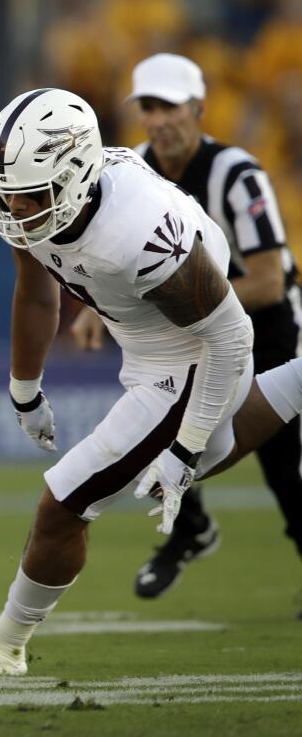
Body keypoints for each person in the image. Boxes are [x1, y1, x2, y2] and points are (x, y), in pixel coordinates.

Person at [0, 87, 302, 677]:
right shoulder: (41, 201)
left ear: (76, 174)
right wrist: (24, 388)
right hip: (149, 341)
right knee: (209, 453)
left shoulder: (137, 230)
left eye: (30, 195)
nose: (16, 210)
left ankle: (3, 645)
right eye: (5, 194)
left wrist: (182, 449)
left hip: (193, 353)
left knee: (65, 502)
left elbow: (230, 338)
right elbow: (35, 291)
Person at [71, 53, 302, 606]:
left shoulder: (236, 173)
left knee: (282, 462)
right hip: (188, 329)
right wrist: (91, 308)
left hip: (266, 329)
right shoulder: (132, 170)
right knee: (153, 425)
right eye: (148, 107)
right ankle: (188, 529)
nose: (157, 119)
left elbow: (269, 282)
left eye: (169, 105)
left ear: (198, 108)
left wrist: (188, 299)